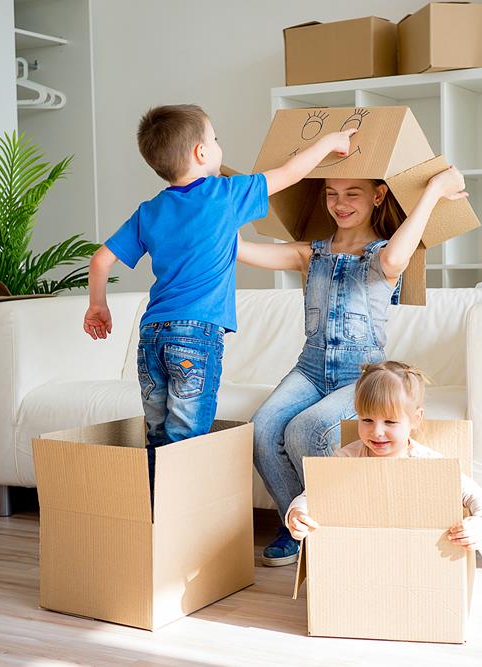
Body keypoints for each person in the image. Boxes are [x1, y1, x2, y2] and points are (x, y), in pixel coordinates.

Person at [83, 104, 356, 496]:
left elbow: (100, 259)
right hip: (195, 336)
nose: (217, 144)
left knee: (159, 435)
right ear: (201, 153)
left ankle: (154, 518)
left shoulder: (150, 210)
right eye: (214, 138)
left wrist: (98, 306)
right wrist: (331, 141)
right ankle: (185, 524)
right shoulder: (223, 195)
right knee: (188, 440)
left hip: (152, 337)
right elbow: (291, 173)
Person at [238, 166, 468, 565]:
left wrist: (432, 191)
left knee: (306, 428)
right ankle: (295, 524)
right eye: (331, 193)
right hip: (309, 368)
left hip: (361, 375)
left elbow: (399, 255)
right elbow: (242, 250)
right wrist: (220, 202)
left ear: (378, 196)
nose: (339, 204)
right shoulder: (311, 253)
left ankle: (336, 525)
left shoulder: (382, 255)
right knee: (261, 428)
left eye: (352, 194)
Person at [285, 361, 482, 551]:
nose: (377, 432)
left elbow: (479, 496)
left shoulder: (429, 463)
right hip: (361, 553)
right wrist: (297, 514)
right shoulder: (346, 458)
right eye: (367, 420)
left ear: (416, 419)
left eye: (390, 422)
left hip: (416, 553)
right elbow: (311, 495)